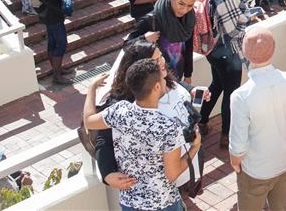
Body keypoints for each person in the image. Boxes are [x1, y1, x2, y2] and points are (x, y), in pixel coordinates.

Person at [83, 58, 201, 211]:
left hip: (129, 203)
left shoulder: (119, 111)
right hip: (163, 203)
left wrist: (92, 88)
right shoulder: (168, 127)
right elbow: (172, 174)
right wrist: (194, 148)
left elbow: (88, 121)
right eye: (162, 78)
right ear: (156, 87)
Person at [229, 30, 286, 211]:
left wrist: (235, 162)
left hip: (256, 170)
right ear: (273, 50)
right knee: (282, 206)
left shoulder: (241, 96)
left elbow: (238, 145)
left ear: (245, 53)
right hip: (285, 161)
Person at [197, 0, 254, 149]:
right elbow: (233, 30)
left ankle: (202, 120)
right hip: (227, 51)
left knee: (218, 84)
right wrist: (249, 16)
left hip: (214, 50)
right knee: (232, 92)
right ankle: (226, 135)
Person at [125, 0, 198, 82]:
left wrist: (188, 74)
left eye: (190, 5)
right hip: (155, 81)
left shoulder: (189, 18)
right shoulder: (151, 20)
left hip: (177, 78)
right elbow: (126, 46)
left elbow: (188, 47)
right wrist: (144, 39)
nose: (184, 10)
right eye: (181, 4)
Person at [34, 0, 73, 84]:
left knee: (52, 43)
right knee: (61, 44)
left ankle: (57, 69)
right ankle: (56, 76)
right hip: (55, 18)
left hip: (48, 18)